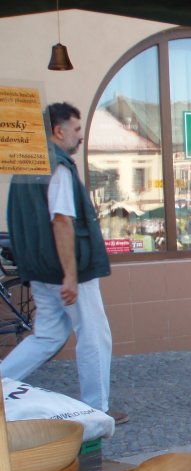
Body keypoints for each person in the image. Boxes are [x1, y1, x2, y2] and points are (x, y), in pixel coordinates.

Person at [2, 102, 127, 424]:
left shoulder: (26, 166)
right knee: (94, 335)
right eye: (77, 129)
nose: (80, 136)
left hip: (40, 268)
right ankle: (96, 408)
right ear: (59, 131)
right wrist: (70, 275)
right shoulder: (57, 165)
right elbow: (61, 221)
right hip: (67, 270)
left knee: (48, 335)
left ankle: (1, 383)